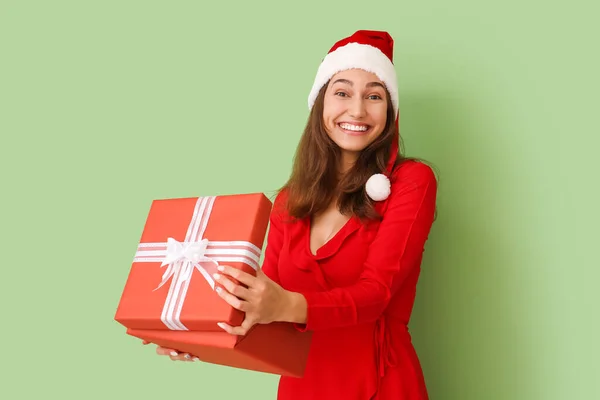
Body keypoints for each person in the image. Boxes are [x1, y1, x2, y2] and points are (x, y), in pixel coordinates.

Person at [151, 30, 438, 400]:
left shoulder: (410, 182)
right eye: (342, 92)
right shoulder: (289, 202)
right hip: (302, 387)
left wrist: (287, 304)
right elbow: (264, 310)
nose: (357, 110)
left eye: (374, 96)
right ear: (320, 102)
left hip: (378, 384)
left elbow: (377, 294)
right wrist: (195, 333)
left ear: (390, 111)